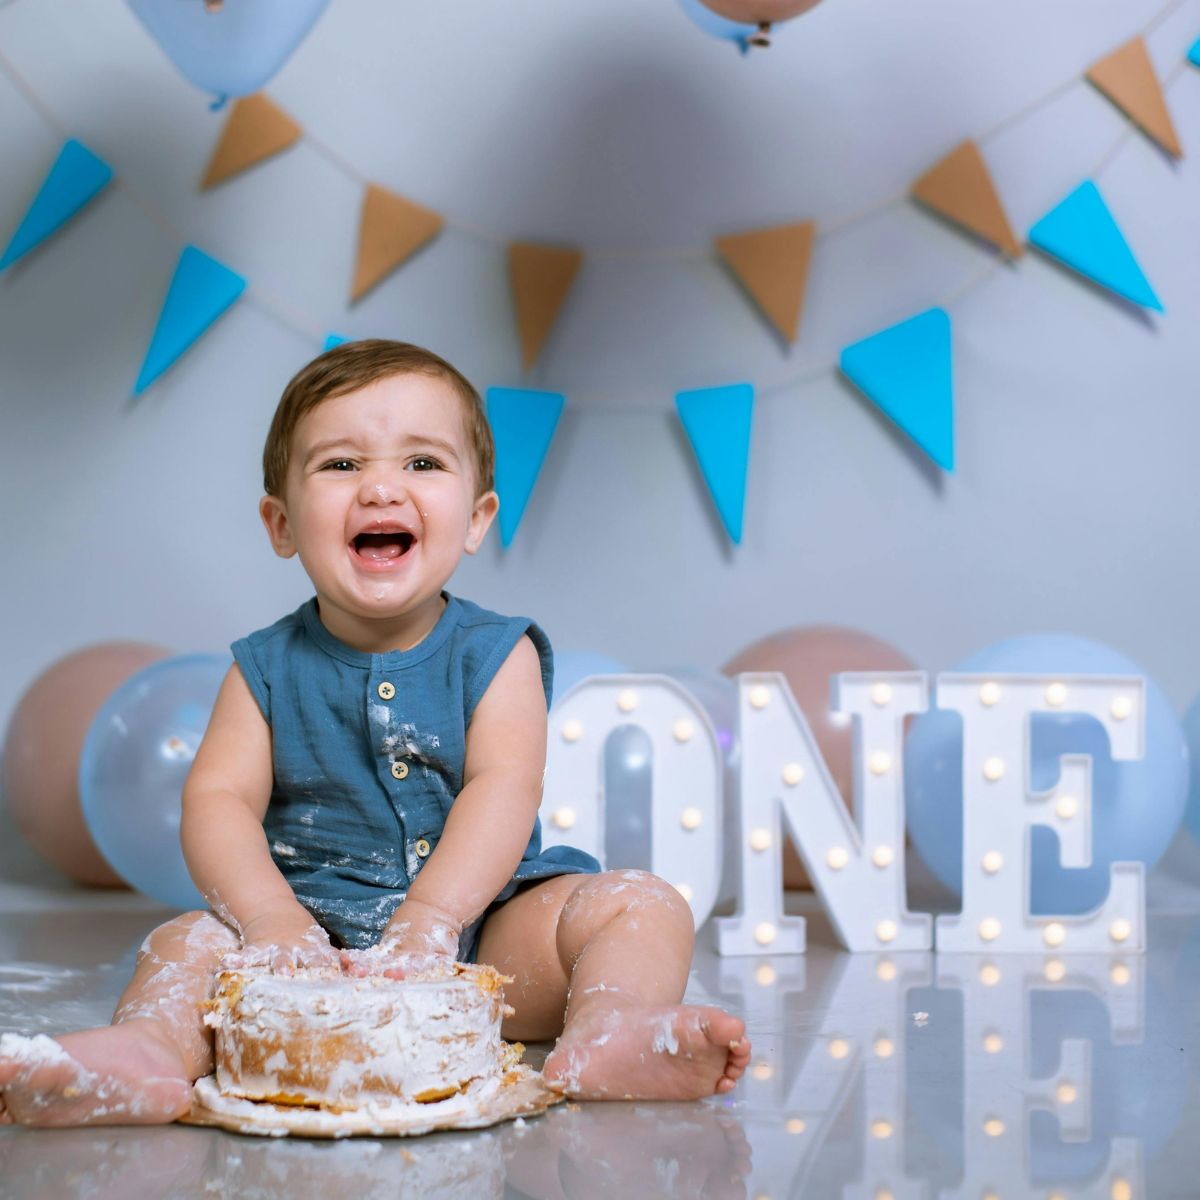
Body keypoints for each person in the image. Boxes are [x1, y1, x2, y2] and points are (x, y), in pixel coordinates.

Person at [0, 340, 750, 1126]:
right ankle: (148, 1049)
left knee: (642, 902)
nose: (382, 487)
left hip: (483, 940)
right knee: (184, 942)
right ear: (281, 523)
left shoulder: (498, 655)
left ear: (477, 518)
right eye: (341, 465)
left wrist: (432, 921)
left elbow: (505, 785)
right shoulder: (260, 669)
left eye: (423, 464)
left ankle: (610, 1026)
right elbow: (216, 801)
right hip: (301, 942)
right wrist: (270, 923)